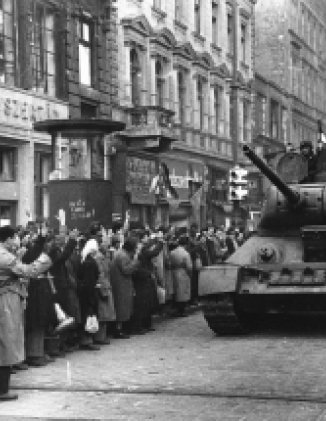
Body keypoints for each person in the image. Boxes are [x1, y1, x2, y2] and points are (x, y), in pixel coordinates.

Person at [0, 226, 52, 401]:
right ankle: (2, 390)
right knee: (6, 342)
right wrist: (44, 260)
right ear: (7, 239)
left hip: (6, 299)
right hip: (5, 302)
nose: (17, 240)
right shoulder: (4, 256)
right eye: (15, 237)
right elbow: (28, 271)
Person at [110, 236, 139, 338]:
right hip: (122, 285)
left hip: (120, 284)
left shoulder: (120, 253)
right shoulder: (123, 256)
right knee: (122, 307)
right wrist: (135, 262)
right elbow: (126, 270)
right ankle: (119, 330)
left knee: (121, 306)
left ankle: (120, 329)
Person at [169, 235, 193, 317]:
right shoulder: (186, 254)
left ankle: (176, 309)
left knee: (176, 291)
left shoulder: (172, 252)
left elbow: (169, 263)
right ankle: (181, 310)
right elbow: (189, 267)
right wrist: (190, 275)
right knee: (183, 292)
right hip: (183, 272)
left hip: (174, 272)